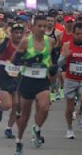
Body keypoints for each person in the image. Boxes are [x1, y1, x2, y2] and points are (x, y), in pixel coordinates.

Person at [12, 15, 55, 155]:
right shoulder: (26, 41)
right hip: (27, 80)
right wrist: (29, 60)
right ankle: (19, 140)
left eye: (45, 26)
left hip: (42, 80)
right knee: (25, 114)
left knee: (45, 107)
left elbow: (53, 60)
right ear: (33, 27)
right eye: (40, 26)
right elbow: (15, 60)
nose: (43, 29)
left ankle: (37, 128)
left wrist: (54, 68)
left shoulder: (50, 41)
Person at [59, 22, 82, 139]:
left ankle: (80, 113)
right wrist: (66, 56)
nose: (80, 36)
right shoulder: (67, 45)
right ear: (73, 33)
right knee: (69, 107)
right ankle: (69, 128)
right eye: (77, 34)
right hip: (70, 79)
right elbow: (59, 63)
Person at [0, 23, 25, 139]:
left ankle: (9, 128)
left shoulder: (24, 45)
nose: (19, 35)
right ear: (11, 33)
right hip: (5, 76)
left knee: (17, 105)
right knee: (7, 104)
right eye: (16, 32)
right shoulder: (7, 43)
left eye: (21, 32)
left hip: (18, 77)